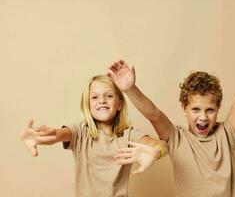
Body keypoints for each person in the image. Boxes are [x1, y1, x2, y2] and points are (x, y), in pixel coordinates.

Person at [107, 30, 235, 197]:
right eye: (196, 109)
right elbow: (154, 115)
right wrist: (130, 89)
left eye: (210, 110)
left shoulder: (226, 134)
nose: (203, 117)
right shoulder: (176, 138)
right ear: (184, 108)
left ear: (218, 108)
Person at [20, 74, 169, 197]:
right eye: (95, 97)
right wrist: (39, 137)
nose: (102, 100)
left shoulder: (129, 135)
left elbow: (162, 144)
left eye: (109, 96)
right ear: (88, 105)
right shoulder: (80, 132)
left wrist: (157, 152)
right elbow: (58, 135)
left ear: (119, 105)